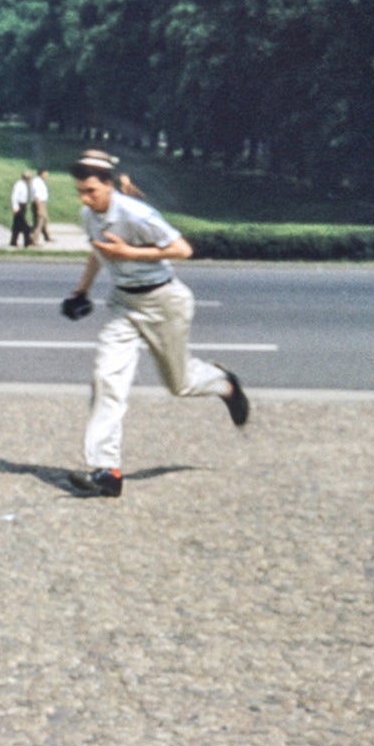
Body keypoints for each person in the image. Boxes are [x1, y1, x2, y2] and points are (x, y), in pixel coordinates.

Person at [61, 149, 248, 496]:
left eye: (91, 191)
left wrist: (131, 254)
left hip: (164, 302)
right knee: (106, 378)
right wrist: (80, 292)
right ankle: (107, 471)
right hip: (124, 303)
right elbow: (98, 252)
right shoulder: (89, 216)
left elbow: (182, 249)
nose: (85, 199)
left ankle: (225, 385)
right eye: (81, 192)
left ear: (109, 185)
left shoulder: (136, 213)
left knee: (180, 384)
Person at [10, 170, 34, 248]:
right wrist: (15, 206)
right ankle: (27, 242)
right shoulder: (19, 185)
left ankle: (13, 241)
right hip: (19, 206)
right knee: (25, 226)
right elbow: (14, 196)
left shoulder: (24, 185)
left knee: (16, 226)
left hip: (23, 205)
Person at [30, 168, 53, 243]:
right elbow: (37, 197)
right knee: (38, 222)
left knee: (45, 220)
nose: (47, 175)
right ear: (41, 173)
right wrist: (39, 209)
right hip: (39, 203)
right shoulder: (36, 182)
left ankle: (47, 237)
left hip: (43, 202)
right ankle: (33, 241)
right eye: (46, 173)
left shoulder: (41, 181)